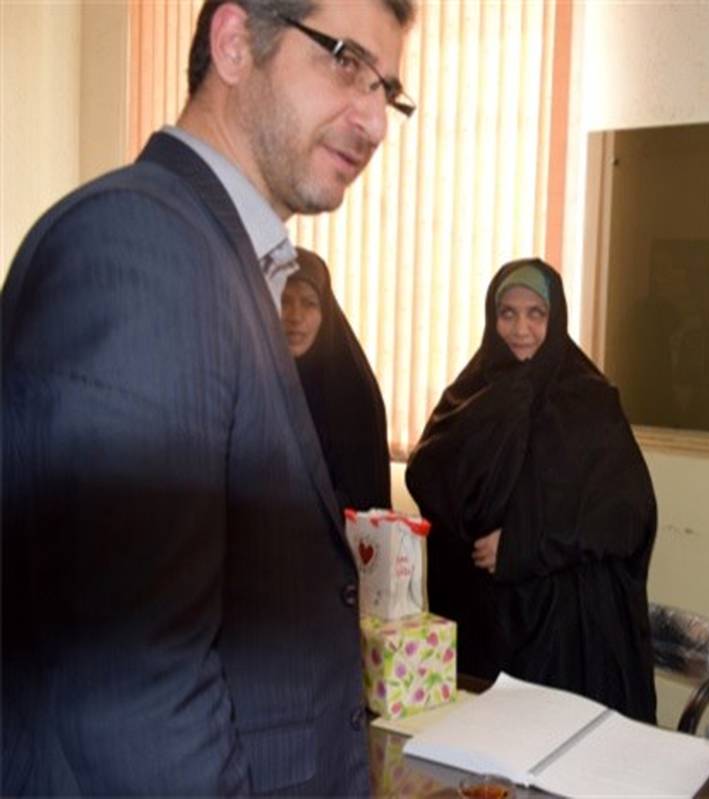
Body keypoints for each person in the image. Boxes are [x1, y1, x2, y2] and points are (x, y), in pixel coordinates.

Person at [2, 0, 414, 793]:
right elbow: (136, 696)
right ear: (233, 43)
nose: (373, 121)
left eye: (387, 90)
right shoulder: (141, 244)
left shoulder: (225, 258)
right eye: (346, 62)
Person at [405, 258, 658, 723]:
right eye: (508, 313)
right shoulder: (470, 394)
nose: (520, 329)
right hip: (483, 625)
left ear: (555, 318)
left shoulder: (589, 401)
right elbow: (427, 473)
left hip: (563, 635)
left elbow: (624, 516)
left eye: (536, 313)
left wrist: (524, 544)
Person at [283, 248, 392, 511]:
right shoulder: (258, 380)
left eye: (309, 303)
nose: (295, 316)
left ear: (325, 313)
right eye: (284, 301)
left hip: (336, 530)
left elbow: (364, 492)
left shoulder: (352, 389)